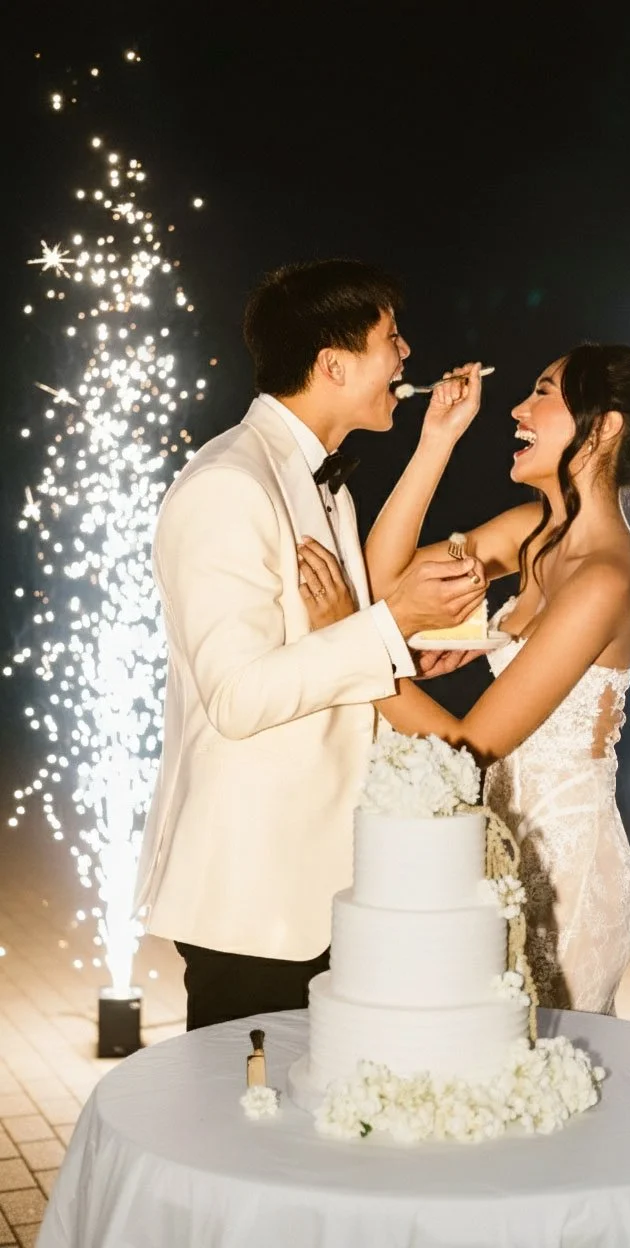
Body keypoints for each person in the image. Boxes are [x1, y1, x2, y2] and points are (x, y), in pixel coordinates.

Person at [133, 259, 486, 1030]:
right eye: (391, 340)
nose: (406, 357)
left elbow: (339, 649)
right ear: (333, 364)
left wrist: (392, 636)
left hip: (320, 886)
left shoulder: (330, 486)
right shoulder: (230, 484)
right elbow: (237, 696)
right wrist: (388, 627)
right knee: (240, 1125)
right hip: (256, 896)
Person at [303, 344, 630, 1013]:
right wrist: (436, 439)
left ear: (601, 428)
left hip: (568, 878)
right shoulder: (537, 536)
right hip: (506, 853)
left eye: (543, 391)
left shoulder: (604, 576)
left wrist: (354, 646)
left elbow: (466, 747)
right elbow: (383, 579)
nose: (517, 408)